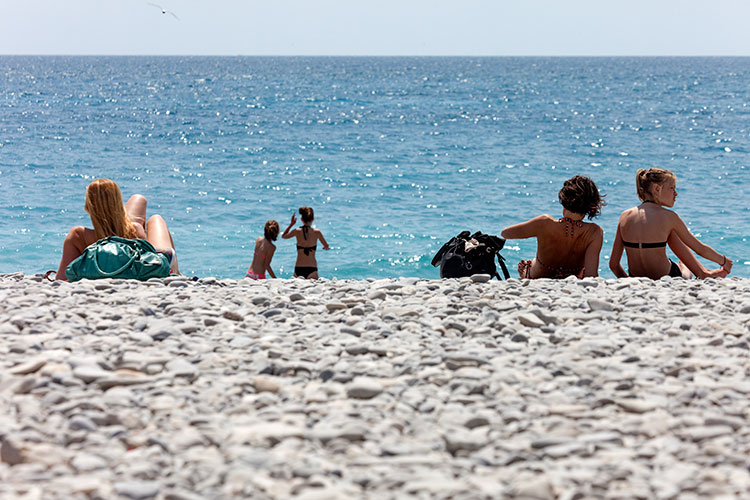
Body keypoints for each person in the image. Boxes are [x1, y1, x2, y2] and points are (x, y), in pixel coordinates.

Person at [609, 168, 731, 279]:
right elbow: (700, 249)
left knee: (669, 232)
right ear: (657, 189)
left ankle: (700, 271)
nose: (675, 193)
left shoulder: (624, 216)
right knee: (676, 245)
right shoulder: (669, 216)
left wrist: (628, 281)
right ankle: (698, 271)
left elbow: (614, 265)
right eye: (672, 188)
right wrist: (724, 261)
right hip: (667, 276)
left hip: (636, 276)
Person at [54, 178, 179, 281]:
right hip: (134, 265)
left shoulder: (78, 235)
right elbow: (149, 260)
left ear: (87, 207)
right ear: (119, 203)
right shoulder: (135, 230)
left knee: (138, 200)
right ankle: (178, 272)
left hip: (99, 263)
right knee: (155, 219)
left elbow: (62, 278)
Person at [501, 175, 605, 279]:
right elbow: (591, 275)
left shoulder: (545, 223)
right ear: (589, 207)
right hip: (571, 276)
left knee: (531, 263)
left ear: (564, 200)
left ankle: (526, 270)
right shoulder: (594, 232)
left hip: (538, 275)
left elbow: (505, 233)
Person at [282, 206, 329, 279]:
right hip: (312, 268)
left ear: (301, 219)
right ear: (313, 219)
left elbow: (284, 236)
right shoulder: (317, 232)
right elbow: (326, 245)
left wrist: (291, 224)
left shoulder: (297, 231)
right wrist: (325, 247)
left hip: (299, 268)